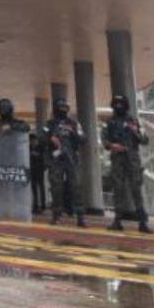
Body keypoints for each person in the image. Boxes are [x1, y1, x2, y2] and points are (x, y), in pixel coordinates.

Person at [102, 94, 152, 233]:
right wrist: (112, 146)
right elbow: (104, 139)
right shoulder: (109, 122)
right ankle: (117, 220)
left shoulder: (134, 121)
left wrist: (135, 131)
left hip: (133, 159)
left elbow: (145, 140)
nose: (119, 106)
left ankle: (142, 221)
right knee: (118, 189)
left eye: (121, 104)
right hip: (117, 158)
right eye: (116, 104)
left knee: (136, 189)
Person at [44, 97, 87, 227]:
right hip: (56, 160)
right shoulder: (50, 124)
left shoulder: (74, 123)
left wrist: (72, 132)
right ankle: (56, 215)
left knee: (76, 187)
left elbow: (83, 139)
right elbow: (41, 137)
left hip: (72, 159)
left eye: (65, 107)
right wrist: (51, 138)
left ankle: (80, 216)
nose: (63, 110)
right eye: (60, 107)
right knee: (56, 187)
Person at [28, 131, 47, 214]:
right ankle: (35, 205)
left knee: (41, 187)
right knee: (34, 188)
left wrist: (37, 155)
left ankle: (42, 205)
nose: (33, 143)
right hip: (32, 170)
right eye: (31, 141)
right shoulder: (28, 148)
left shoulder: (41, 148)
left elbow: (44, 158)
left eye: (34, 141)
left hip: (39, 170)